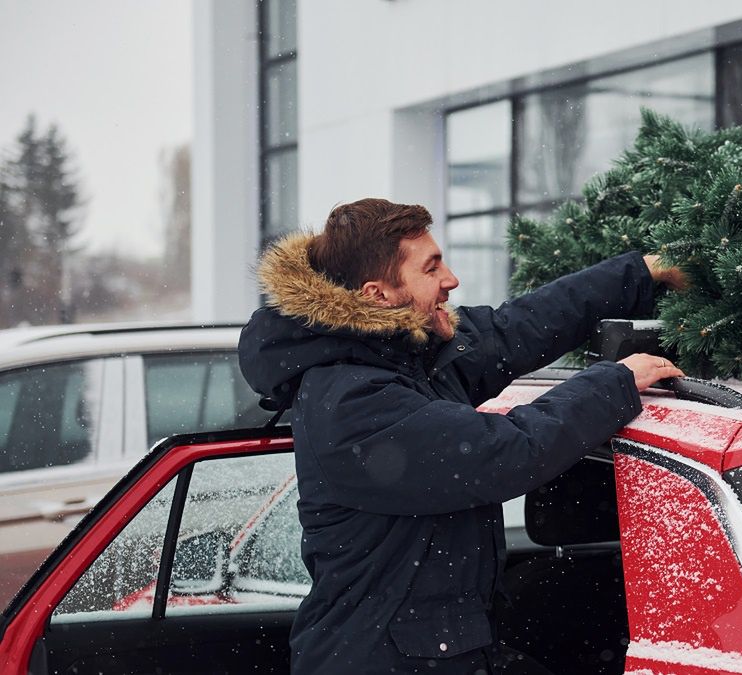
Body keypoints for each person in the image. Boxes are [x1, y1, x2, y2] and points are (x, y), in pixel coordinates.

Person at [237, 198, 685, 674]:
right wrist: (614, 383)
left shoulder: (410, 352)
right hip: (383, 661)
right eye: (431, 269)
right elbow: (503, 451)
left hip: (439, 649)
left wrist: (644, 271)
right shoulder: (352, 402)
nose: (451, 279)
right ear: (378, 295)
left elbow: (520, 327)